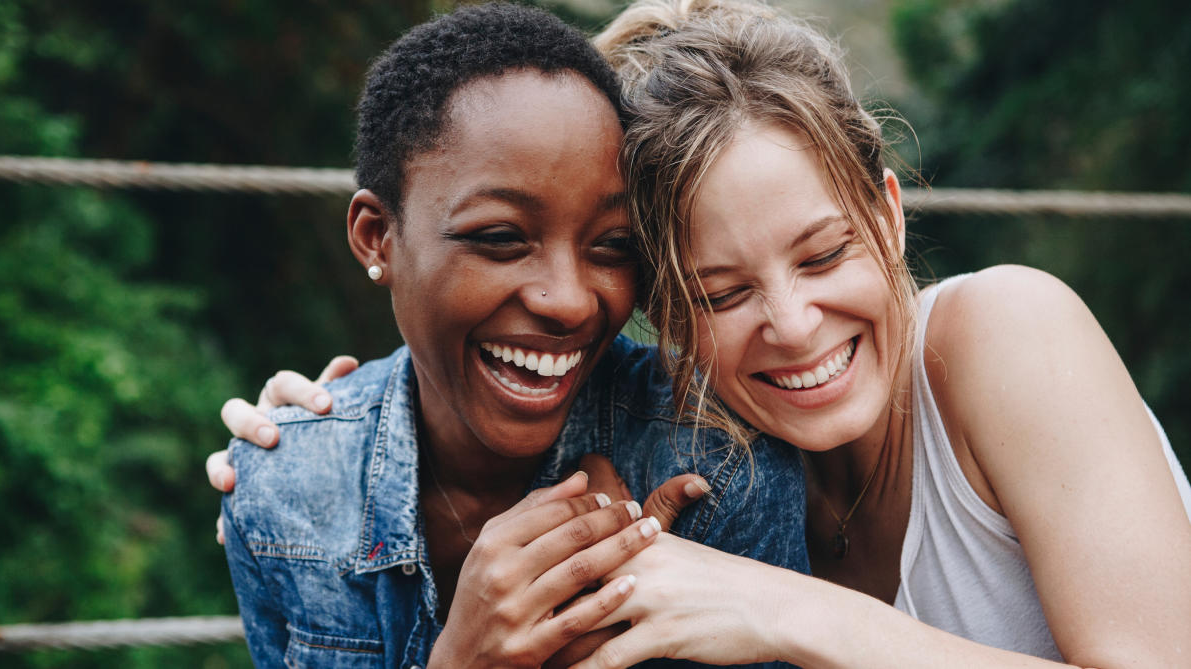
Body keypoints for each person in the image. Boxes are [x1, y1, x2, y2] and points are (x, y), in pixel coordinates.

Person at [222, 1, 1191, 666]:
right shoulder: (703, 461)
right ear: (659, 308)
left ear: (889, 216)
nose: (794, 326)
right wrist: (332, 434)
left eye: (822, 256)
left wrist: (791, 614)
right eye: (721, 293)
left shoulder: (1004, 332)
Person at [215, 4, 806, 668]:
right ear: (377, 236)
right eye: (500, 238)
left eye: (612, 246)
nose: (570, 300)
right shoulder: (283, 493)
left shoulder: (717, 466)